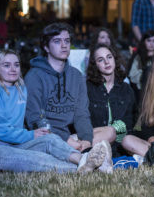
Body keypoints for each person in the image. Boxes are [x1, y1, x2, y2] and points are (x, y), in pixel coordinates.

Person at [0, 49, 112, 173]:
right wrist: (31, 134)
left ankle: (84, 159)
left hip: (16, 142)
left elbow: (38, 112)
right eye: (6, 65)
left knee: (49, 139)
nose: (13, 69)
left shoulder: (21, 89)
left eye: (16, 65)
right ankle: (91, 168)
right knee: (35, 159)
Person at [25, 23, 116, 152]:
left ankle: (82, 153)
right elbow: (34, 119)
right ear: (46, 47)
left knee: (110, 132)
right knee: (51, 140)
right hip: (46, 135)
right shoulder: (34, 76)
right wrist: (66, 139)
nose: (64, 45)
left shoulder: (77, 76)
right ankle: (81, 155)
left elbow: (81, 114)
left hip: (71, 138)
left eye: (67, 41)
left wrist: (86, 140)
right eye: (57, 41)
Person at [86, 44, 134, 154]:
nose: (106, 62)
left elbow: (131, 121)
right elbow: (84, 121)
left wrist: (115, 130)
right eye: (100, 60)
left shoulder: (126, 89)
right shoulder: (87, 88)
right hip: (94, 142)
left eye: (109, 57)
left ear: (115, 59)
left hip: (119, 145)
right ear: (95, 65)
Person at [127, 30, 154, 117]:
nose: (151, 44)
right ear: (144, 41)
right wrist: (145, 74)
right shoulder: (138, 56)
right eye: (148, 40)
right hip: (141, 91)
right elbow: (132, 75)